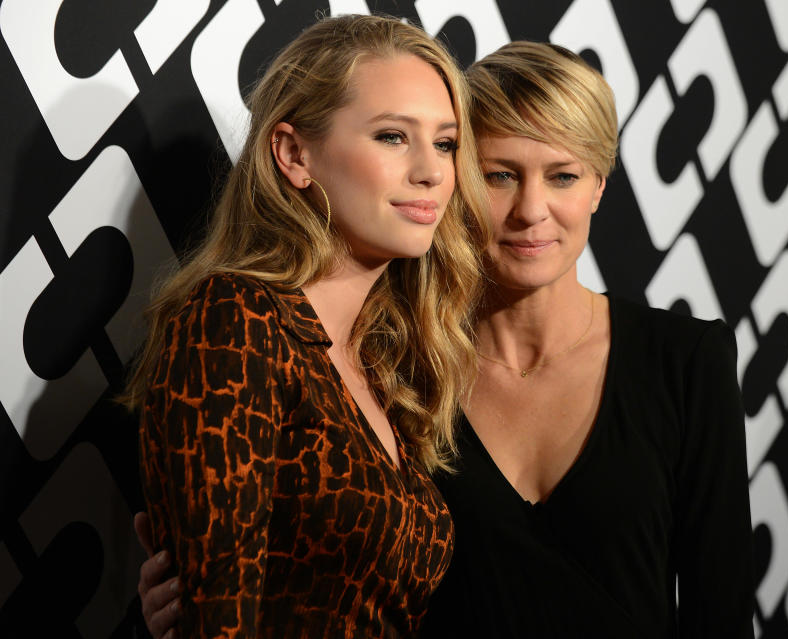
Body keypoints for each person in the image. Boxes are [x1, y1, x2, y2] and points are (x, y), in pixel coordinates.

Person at [137, 40, 755, 638]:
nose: (532, 209)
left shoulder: (685, 361)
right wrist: (204, 596)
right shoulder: (401, 368)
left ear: (599, 183)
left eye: (563, 176)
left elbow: (720, 614)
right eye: (499, 175)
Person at [126, 14, 489, 639]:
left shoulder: (382, 366)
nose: (432, 170)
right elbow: (219, 621)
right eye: (393, 137)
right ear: (294, 154)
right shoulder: (233, 322)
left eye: (447, 142)